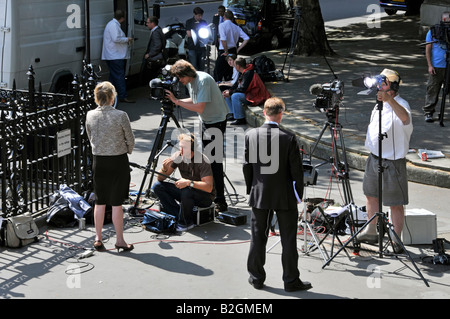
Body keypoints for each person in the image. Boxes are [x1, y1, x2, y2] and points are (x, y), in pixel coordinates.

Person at [243, 97, 312, 292]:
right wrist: (298, 195)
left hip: (260, 193)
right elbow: (296, 172)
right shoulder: (288, 137)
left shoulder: (251, 135)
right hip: (284, 195)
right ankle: (290, 280)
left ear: (264, 112)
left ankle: (256, 277)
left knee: (257, 237)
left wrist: (252, 188)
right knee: (288, 239)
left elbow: (247, 166)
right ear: (280, 114)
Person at [357, 69, 413, 254]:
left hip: (393, 161)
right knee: (370, 194)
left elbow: (405, 118)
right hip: (375, 156)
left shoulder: (401, 104)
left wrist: (390, 100)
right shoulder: (378, 105)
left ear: (393, 87)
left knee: (395, 202)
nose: (378, 88)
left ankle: (396, 240)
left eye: (383, 84)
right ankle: (371, 230)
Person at [165, 59, 230, 214]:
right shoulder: (191, 81)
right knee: (206, 159)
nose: (180, 81)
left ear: (187, 74)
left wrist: (177, 102)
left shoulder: (203, 80)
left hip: (216, 122)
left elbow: (199, 107)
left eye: (180, 78)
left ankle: (220, 199)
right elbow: (195, 100)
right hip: (206, 121)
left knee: (213, 162)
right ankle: (207, 192)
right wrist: (176, 101)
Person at [85, 81, 135, 252]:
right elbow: (130, 138)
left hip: (99, 160)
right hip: (117, 159)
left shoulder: (90, 115)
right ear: (112, 97)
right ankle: (119, 239)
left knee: (100, 201)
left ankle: (98, 238)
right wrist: (127, 150)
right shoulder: (120, 115)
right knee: (116, 203)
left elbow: (89, 135)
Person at [152, 133, 215, 231]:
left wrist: (189, 182)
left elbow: (208, 187)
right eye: (180, 147)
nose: (181, 150)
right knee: (157, 186)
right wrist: (164, 169)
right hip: (188, 190)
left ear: (193, 148)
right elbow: (160, 179)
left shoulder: (203, 160)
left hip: (205, 196)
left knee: (187, 190)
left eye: (184, 148)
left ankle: (186, 223)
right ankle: (178, 216)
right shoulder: (178, 156)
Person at [223, 57, 270, 125]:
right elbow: (237, 84)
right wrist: (229, 91)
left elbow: (243, 89)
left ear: (238, 66)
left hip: (254, 95)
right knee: (227, 94)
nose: (235, 67)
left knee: (235, 96)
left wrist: (230, 93)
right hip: (248, 93)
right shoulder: (242, 72)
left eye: (235, 65)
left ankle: (240, 118)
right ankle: (232, 113)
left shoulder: (248, 73)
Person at [101, 10, 135, 103]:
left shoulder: (112, 24)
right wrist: (127, 39)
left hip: (112, 55)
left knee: (113, 77)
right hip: (115, 55)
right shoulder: (113, 25)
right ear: (122, 18)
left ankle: (108, 96)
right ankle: (123, 96)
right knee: (119, 76)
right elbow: (116, 38)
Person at [423, 12, 450, 123]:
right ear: (443, 19)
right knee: (432, 89)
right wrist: (430, 65)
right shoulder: (434, 31)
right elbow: (428, 49)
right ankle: (429, 112)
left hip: (448, 66)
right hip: (437, 66)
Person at [214, 10, 249, 82]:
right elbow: (247, 38)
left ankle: (220, 89)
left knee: (218, 72)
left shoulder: (222, 25)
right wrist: (238, 49)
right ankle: (229, 90)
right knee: (230, 72)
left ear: (224, 17)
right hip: (233, 51)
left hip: (224, 51)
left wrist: (226, 51)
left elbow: (223, 39)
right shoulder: (236, 27)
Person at [142, 16, 166, 83]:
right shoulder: (159, 30)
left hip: (155, 58)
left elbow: (157, 45)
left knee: (154, 76)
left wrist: (149, 54)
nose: (146, 24)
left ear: (152, 23)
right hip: (160, 57)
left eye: (148, 23)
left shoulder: (155, 33)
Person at [185, 7, 208, 71]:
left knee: (202, 66)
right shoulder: (189, 22)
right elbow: (189, 34)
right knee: (194, 66)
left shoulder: (204, 22)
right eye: (199, 15)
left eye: (201, 15)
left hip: (202, 47)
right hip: (192, 47)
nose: (200, 17)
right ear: (194, 14)